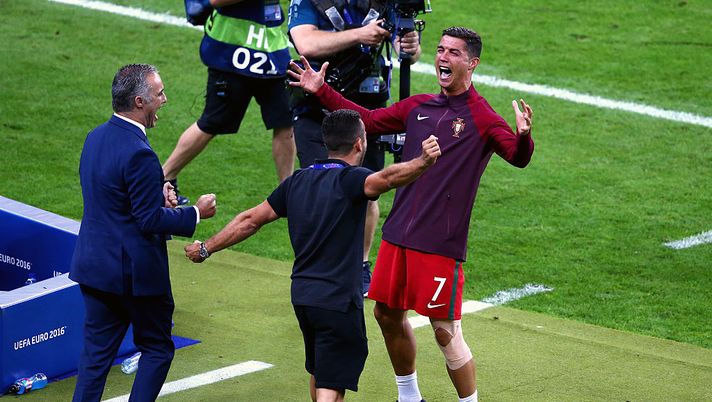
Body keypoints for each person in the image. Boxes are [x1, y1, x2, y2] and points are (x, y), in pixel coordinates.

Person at [287, 26, 535, 402]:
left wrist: (524, 136)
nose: (443, 58)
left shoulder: (482, 117)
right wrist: (321, 90)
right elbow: (367, 121)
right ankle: (409, 396)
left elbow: (517, 158)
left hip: (439, 243)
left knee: (444, 330)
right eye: (440, 50)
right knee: (386, 315)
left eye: (453, 53)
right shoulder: (418, 107)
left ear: (472, 63)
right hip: (397, 235)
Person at [185, 109, 441, 402]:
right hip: (338, 301)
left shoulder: (296, 182)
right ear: (359, 144)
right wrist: (422, 162)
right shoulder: (352, 180)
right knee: (331, 385)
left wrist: (207, 247)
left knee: (321, 371)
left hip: (304, 298)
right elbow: (387, 178)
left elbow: (249, 220)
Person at [69, 64, 218, 402]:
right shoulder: (139, 152)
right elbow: (147, 221)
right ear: (139, 101)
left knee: (95, 360)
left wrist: (156, 196)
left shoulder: (95, 138)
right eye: (159, 94)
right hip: (134, 277)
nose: (164, 100)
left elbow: (114, 200)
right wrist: (195, 213)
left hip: (95, 268)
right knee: (157, 348)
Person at [287, 0, 423, 295]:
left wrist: (409, 45)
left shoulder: (386, 1)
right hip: (314, 108)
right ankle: (318, 264)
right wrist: (360, 34)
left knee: (368, 190)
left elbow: (406, 51)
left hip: (367, 109)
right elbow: (305, 42)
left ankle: (360, 265)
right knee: (318, 189)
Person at [163, 0, 296, 204]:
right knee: (212, 122)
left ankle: (287, 194)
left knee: (285, 122)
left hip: (272, 55)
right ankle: (164, 178)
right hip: (231, 53)